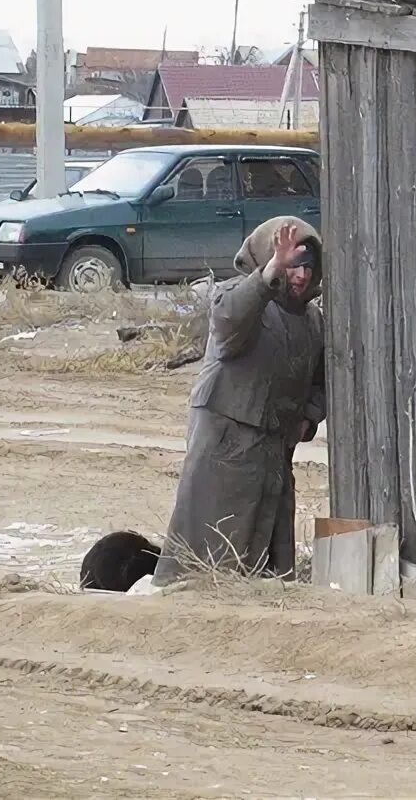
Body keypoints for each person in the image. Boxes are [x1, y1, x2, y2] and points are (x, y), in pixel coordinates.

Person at [151, 215, 325, 587]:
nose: (302, 276)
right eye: (294, 266)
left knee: (267, 555)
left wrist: (309, 418)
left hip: (275, 449)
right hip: (225, 444)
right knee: (209, 548)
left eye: (308, 267)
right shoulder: (236, 297)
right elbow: (229, 324)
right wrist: (269, 273)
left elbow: (321, 380)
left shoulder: (312, 320)